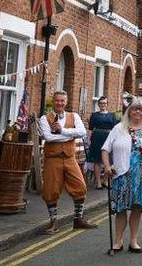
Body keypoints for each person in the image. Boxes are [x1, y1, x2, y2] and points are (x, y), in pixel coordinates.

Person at [101, 99, 142, 253]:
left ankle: (133, 241)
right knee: (120, 209)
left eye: (141, 110)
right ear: (129, 111)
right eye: (134, 109)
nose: (138, 112)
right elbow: (105, 149)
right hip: (122, 174)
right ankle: (118, 241)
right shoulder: (119, 128)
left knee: (136, 209)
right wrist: (107, 167)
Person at [38, 90, 98, 234]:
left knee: (80, 186)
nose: (60, 103)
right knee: (51, 190)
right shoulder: (45, 118)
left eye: (62, 101)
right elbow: (48, 137)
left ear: (66, 102)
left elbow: (82, 132)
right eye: (57, 100)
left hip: (70, 158)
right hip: (53, 159)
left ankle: (78, 219)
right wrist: (70, 134)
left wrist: (63, 131)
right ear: (53, 101)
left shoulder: (74, 116)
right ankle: (53, 222)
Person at [87, 96, 118, 189]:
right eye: (101, 103)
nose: (103, 105)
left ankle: (105, 180)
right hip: (97, 138)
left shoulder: (112, 115)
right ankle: (98, 182)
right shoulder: (94, 115)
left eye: (104, 103)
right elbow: (90, 129)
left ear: (107, 104)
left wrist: (116, 140)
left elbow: (115, 129)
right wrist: (88, 139)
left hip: (108, 138)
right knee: (97, 161)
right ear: (98, 105)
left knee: (110, 161)